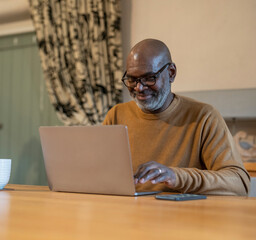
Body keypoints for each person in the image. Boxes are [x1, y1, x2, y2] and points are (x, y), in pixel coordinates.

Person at [103, 39, 250, 195]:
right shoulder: (116, 115)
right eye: (132, 79)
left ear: (171, 73)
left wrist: (176, 176)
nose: (139, 87)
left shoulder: (204, 117)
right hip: (123, 213)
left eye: (149, 78)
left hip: (179, 215)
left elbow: (239, 183)